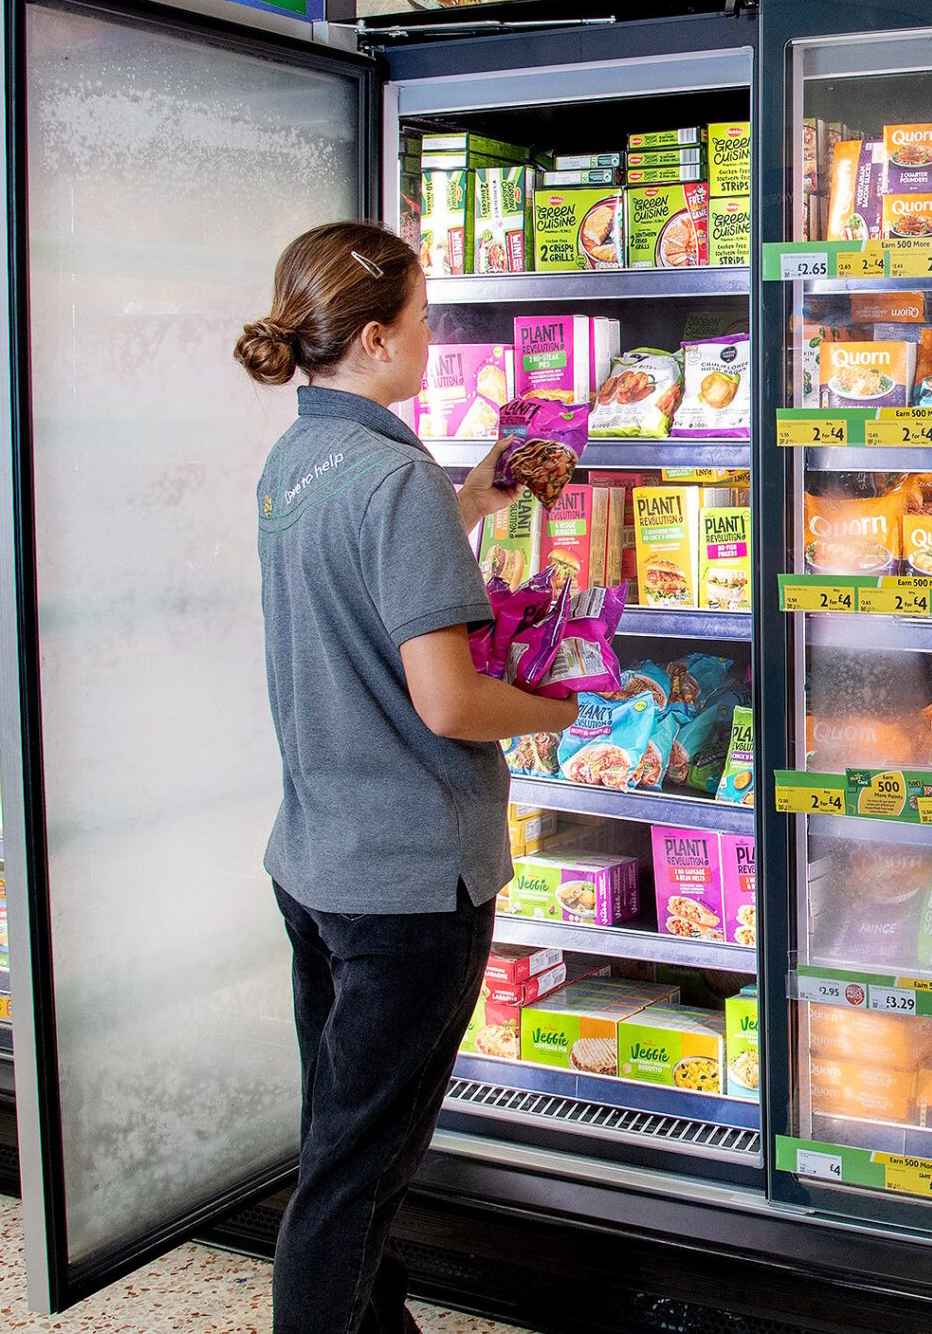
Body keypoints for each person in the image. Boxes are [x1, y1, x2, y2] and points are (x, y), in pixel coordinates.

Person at [235, 221, 574, 1334]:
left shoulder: (297, 462)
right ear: (376, 338)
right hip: (410, 883)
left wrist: (467, 500)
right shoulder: (396, 481)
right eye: (424, 319)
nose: (432, 337)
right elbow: (451, 703)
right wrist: (563, 707)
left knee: (341, 1146)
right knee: (355, 1180)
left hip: (317, 860)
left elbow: (362, 578)